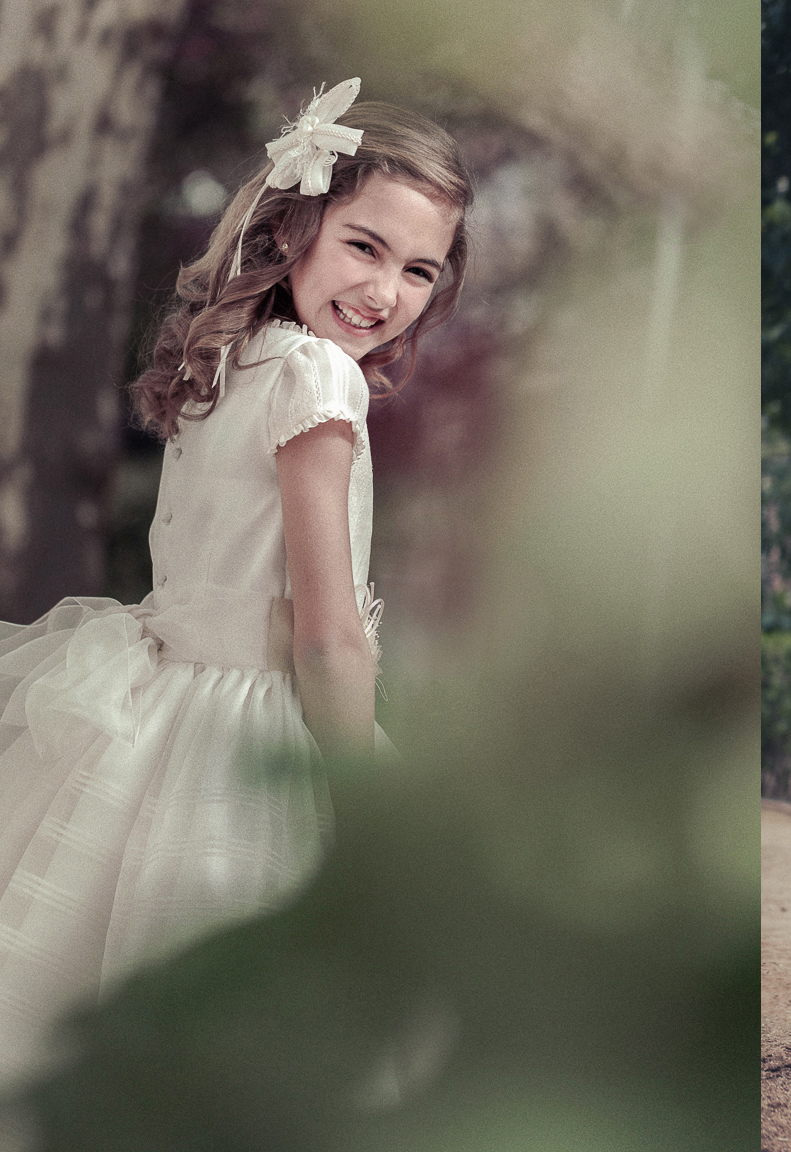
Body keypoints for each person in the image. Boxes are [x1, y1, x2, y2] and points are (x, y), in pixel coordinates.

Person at [0, 80, 471, 1082]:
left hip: (156, 711)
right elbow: (326, 632)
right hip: (256, 733)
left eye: (420, 269)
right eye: (364, 246)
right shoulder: (318, 377)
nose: (386, 291)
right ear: (293, 226)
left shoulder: (231, 359)